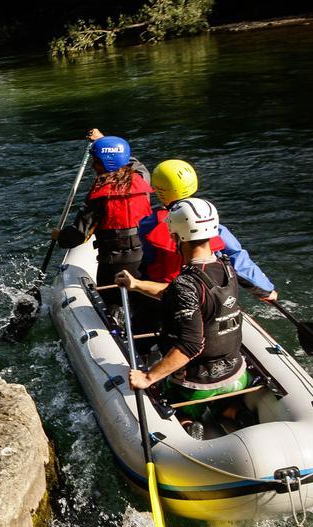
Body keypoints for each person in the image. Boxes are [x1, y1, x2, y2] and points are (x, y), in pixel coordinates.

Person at [117, 197, 250, 435]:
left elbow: (190, 345)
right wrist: (136, 284)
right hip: (236, 376)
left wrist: (148, 377)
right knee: (226, 402)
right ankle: (234, 412)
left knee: (171, 397)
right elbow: (175, 295)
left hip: (195, 385)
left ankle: (186, 422)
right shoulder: (227, 268)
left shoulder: (186, 283)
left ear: (176, 237)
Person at [140, 159, 278, 300]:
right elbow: (235, 256)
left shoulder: (149, 223)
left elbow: (143, 259)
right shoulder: (205, 217)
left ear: (159, 190)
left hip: (160, 293)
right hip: (202, 289)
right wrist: (265, 290)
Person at [53, 129, 153, 305]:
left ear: (106, 164)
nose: (93, 166)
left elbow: (78, 235)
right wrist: (103, 140)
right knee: (138, 304)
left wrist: (59, 236)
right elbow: (135, 163)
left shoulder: (100, 196)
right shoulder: (142, 179)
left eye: (96, 162)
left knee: (112, 306)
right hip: (142, 259)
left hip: (112, 264)